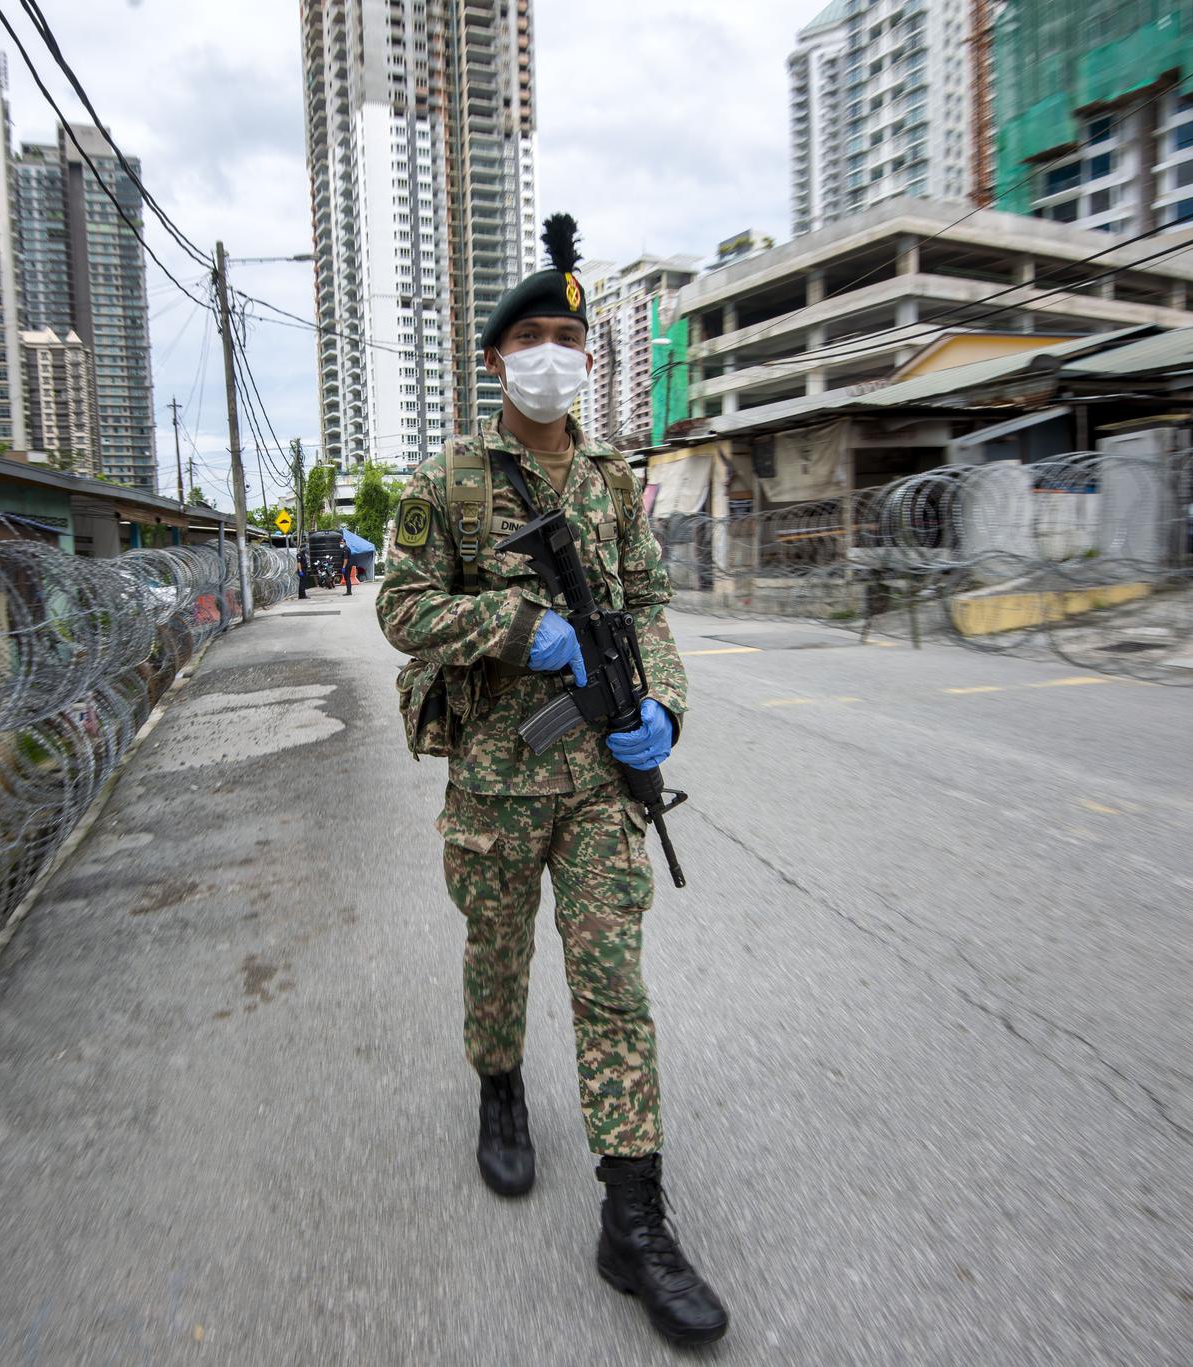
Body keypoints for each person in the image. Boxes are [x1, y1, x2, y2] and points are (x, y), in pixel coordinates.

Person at [375, 213, 726, 1346]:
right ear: (493, 358)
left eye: (565, 336)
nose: (549, 353)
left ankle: (633, 1218)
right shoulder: (446, 481)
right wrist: (517, 627)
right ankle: (497, 1084)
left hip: (596, 785)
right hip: (493, 772)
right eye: (528, 336)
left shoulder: (616, 483)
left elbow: (649, 610)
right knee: (495, 949)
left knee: (613, 980)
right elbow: (398, 605)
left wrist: (661, 706)